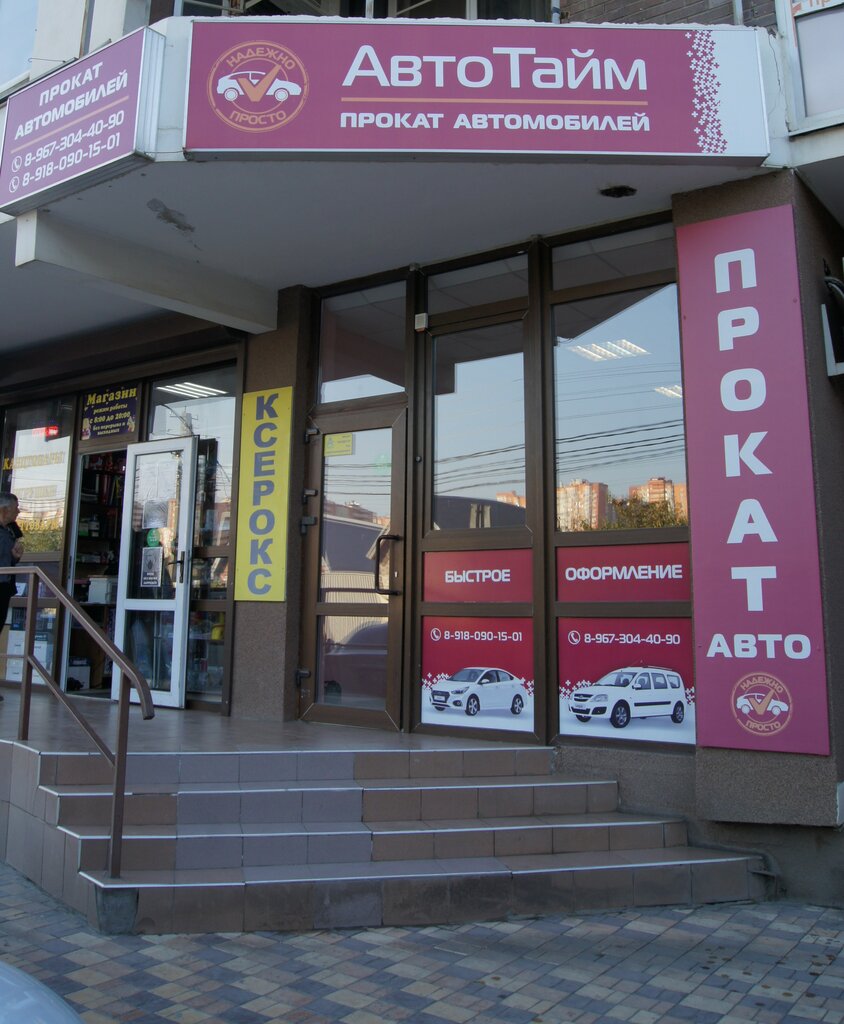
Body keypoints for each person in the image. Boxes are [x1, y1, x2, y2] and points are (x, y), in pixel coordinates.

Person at [0, 493, 23, 700]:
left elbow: (8, 559)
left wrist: (15, 557)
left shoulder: (11, 531)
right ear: (4, 509)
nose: (18, 511)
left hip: (4, 587)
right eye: (16, 508)